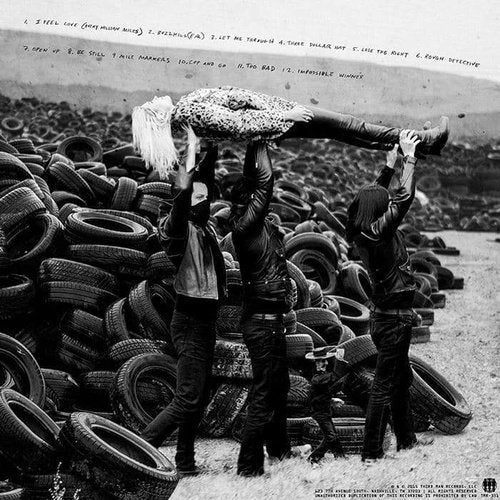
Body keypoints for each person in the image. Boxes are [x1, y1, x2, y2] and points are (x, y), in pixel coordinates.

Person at [140, 128, 226, 476]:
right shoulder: (176, 228)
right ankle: (137, 451)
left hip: (205, 321)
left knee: (198, 395)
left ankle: (186, 462)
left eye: (207, 198)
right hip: (189, 320)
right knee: (187, 396)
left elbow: (200, 183)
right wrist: (189, 153)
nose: (205, 202)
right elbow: (185, 194)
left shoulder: (204, 228)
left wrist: (210, 151)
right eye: (198, 198)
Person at [345, 130, 434, 463]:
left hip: (387, 317)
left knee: (400, 379)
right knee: (384, 385)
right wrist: (409, 159)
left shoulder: (362, 229)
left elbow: (367, 197)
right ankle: (370, 452)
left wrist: (387, 167)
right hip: (393, 320)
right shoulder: (379, 234)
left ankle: (406, 440)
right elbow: (403, 200)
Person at [131, 86, 449, 177]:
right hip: (283, 118)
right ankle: (425, 140)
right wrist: (287, 115)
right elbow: (238, 125)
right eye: (152, 103)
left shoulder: (186, 109)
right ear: (158, 115)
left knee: (348, 132)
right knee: (353, 126)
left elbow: (232, 113)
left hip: (280, 117)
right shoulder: (188, 111)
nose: (156, 97)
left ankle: (421, 146)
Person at [228, 141, 294, 477]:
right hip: (261, 323)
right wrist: (261, 143)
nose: (262, 201)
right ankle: (248, 467)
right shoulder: (245, 227)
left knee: (278, 385)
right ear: (246, 203)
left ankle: (279, 451)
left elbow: (257, 183)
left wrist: (255, 148)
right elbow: (263, 183)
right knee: (265, 392)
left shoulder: (260, 226)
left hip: (272, 322)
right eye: (254, 198)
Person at [305, 347, 347, 465]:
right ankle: (313, 458)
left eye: (326, 360)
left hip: (324, 410)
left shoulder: (321, 376)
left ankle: (340, 457)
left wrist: (332, 399)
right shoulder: (317, 378)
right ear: (317, 363)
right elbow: (335, 376)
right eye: (323, 361)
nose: (326, 363)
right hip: (320, 413)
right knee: (331, 437)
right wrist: (339, 359)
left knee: (332, 435)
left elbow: (320, 394)